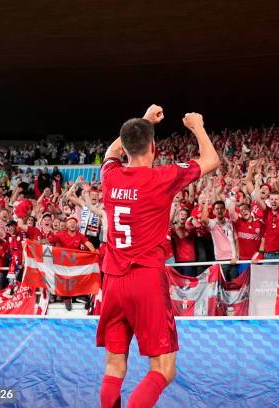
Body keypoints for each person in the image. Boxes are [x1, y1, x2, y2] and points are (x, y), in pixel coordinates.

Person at [97, 105, 219, 408]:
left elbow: (114, 150)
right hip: (146, 279)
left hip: (113, 280)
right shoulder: (160, 178)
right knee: (163, 369)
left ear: (125, 147)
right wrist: (197, 126)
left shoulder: (109, 175)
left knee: (114, 367)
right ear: (154, 147)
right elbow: (211, 160)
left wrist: (144, 120)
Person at [201, 199, 239, 280]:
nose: (219, 211)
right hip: (220, 261)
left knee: (235, 285)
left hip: (233, 260)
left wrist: (236, 256)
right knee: (221, 286)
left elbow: (236, 240)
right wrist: (207, 202)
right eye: (217, 209)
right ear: (214, 212)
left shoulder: (230, 223)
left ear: (225, 210)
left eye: (221, 208)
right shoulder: (212, 223)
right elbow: (203, 219)